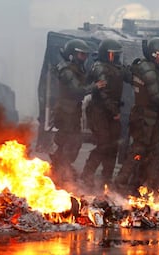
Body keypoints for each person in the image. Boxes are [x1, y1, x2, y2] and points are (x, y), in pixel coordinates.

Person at [114, 37, 159, 193]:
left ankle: (143, 184)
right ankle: (121, 183)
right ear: (154, 54)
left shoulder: (140, 66)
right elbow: (156, 97)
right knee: (138, 150)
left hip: (144, 115)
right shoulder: (150, 71)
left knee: (153, 151)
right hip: (145, 117)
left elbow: (128, 75)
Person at [50, 38, 106, 184]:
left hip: (72, 111)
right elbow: (77, 90)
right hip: (65, 112)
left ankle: (61, 169)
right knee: (68, 143)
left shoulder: (75, 69)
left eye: (85, 55)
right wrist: (95, 86)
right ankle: (59, 171)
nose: (84, 58)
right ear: (72, 54)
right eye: (81, 55)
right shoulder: (67, 70)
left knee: (72, 143)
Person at [80, 39, 132, 188]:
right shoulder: (100, 68)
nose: (116, 58)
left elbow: (128, 76)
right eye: (113, 55)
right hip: (99, 111)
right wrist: (114, 112)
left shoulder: (115, 68)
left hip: (111, 111)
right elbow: (104, 94)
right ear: (107, 55)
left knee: (114, 145)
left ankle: (106, 177)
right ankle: (87, 174)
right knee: (103, 144)